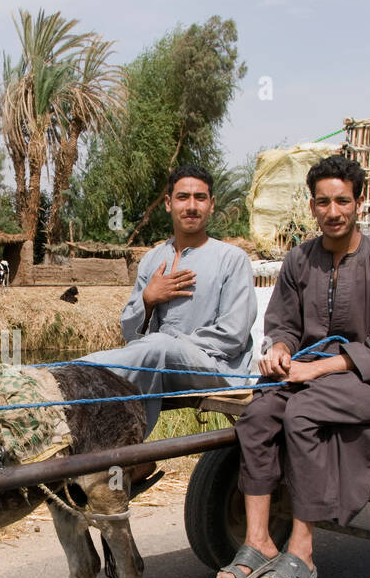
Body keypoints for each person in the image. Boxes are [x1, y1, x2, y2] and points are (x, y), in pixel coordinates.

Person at [216, 154, 370, 578]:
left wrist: (315, 369)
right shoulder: (298, 260)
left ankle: (303, 548)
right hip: (309, 373)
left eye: (342, 201)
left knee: (302, 413)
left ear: (359, 203)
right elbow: (283, 324)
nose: (333, 212)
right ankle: (258, 542)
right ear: (312, 206)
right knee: (257, 414)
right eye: (323, 202)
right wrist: (282, 352)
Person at [81, 163, 257, 437]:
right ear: (168, 203)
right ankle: (121, 451)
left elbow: (233, 336)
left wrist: (171, 344)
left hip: (217, 369)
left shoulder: (232, 259)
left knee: (157, 348)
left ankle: (73, 377)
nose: (191, 206)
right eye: (182, 197)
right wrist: (148, 300)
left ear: (211, 204)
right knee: (150, 355)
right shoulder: (153, 259)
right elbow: (130, 334)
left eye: (200, 198)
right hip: (159, 364)